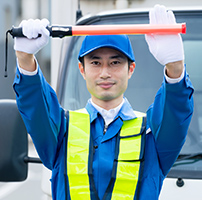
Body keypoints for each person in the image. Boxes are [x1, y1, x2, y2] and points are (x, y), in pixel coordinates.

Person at [13, 4, 194, 200]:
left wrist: (175, 68)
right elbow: (37, 109)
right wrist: (25, 59)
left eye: (115, 63)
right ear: (82, 69)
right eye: (95, 62)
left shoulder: (151, 134)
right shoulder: (62, 129)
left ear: (130, 69)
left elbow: (175, 113)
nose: (105, 73)